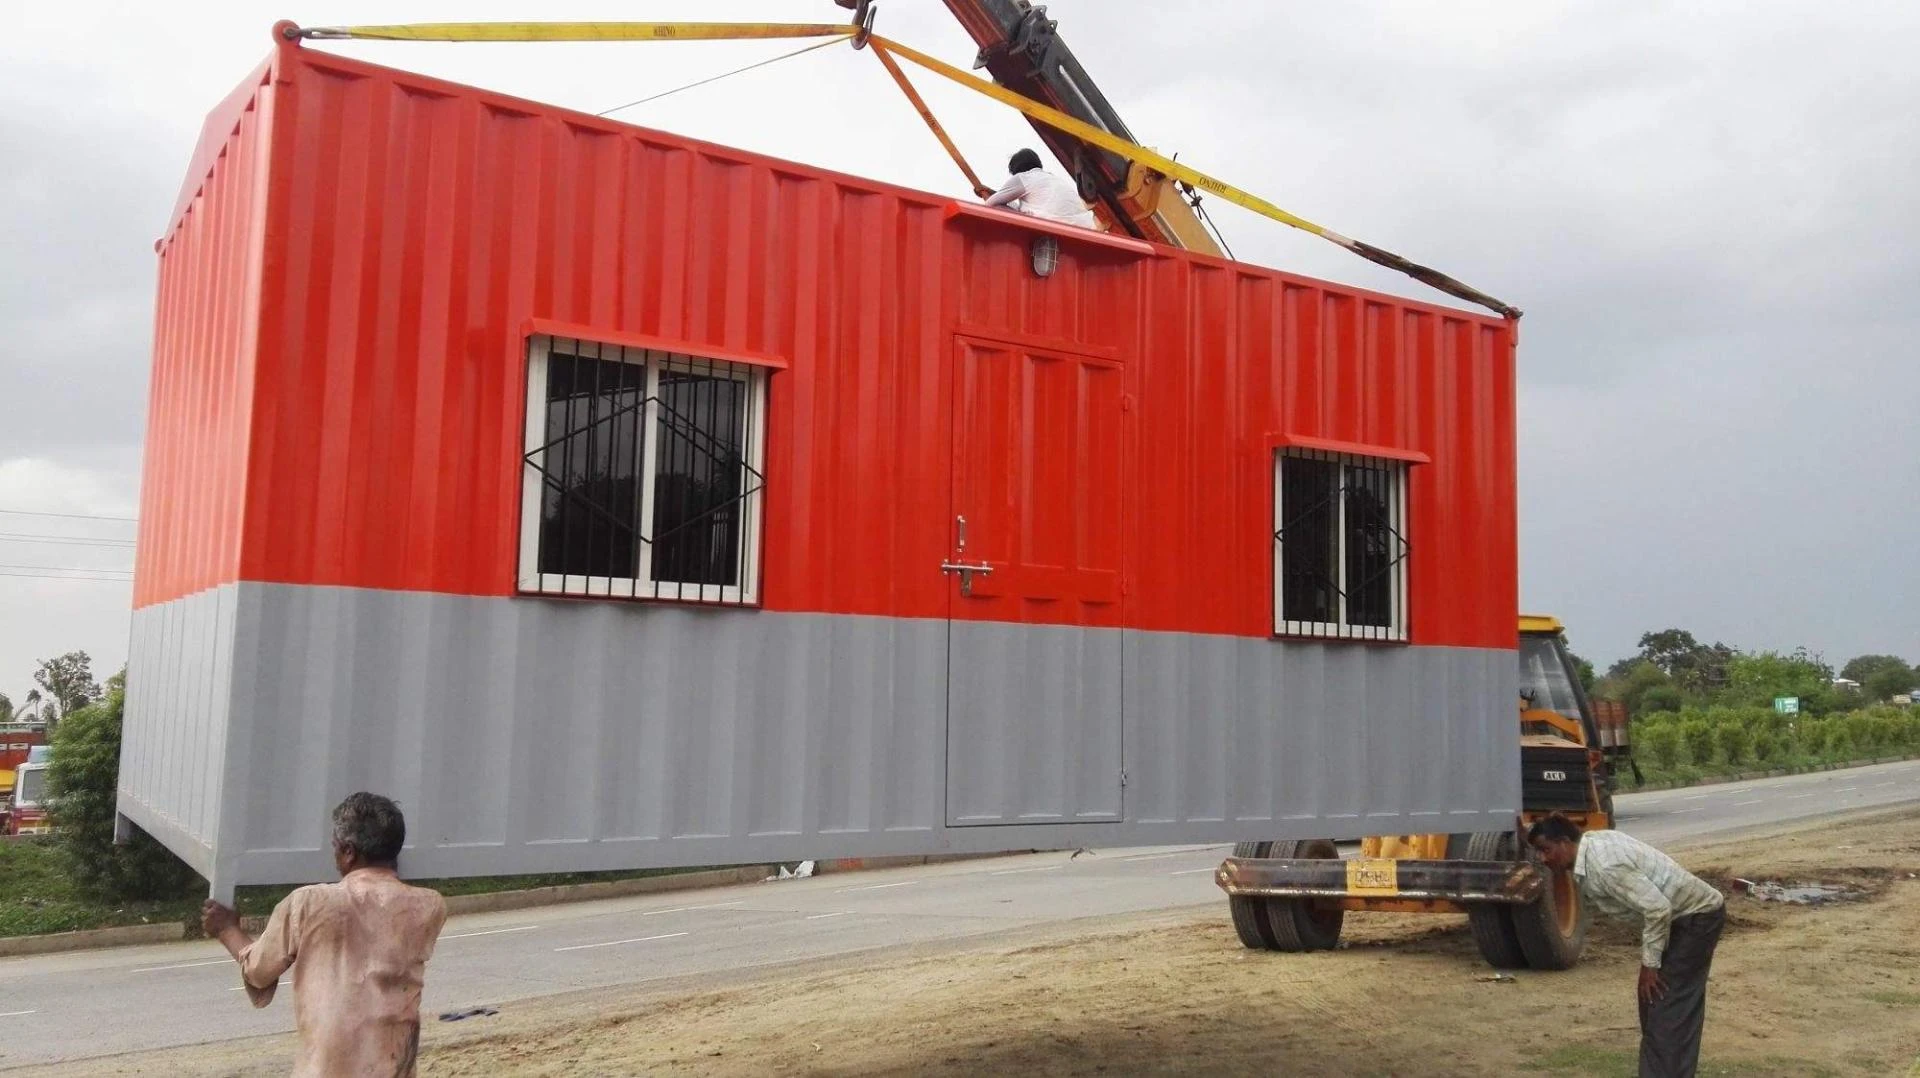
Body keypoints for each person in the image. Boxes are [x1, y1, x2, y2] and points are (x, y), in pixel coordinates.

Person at [202, 792, 447, 1078]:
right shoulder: (430, 906)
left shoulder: (309, 903)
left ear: (348, 851)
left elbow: (258, 971)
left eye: (335, 847)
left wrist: (226, 929)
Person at [1528, 813, 1726, 1078]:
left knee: (1667, 1005)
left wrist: (1650, 966)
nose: (1542, 858)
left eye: (1545, 850)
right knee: (1653, 1001)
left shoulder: (1604, 866)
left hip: (1697, 917)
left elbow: (1657, 909)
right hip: (1677, 919)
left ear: (1564, 842)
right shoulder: (1591, 846)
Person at [981, 148, 1099, 230]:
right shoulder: (1051, 178)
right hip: (1086, 226)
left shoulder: (1023, 178)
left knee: (996, 207)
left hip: (1053, 227)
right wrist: (992, 192)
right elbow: (1022, 209)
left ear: (1016, 169)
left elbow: (990, 204)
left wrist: (990, 195)